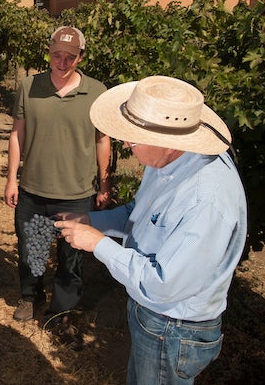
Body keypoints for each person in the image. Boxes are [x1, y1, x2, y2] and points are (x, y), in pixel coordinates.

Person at [54, 75, 248, 384]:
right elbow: (140, 213)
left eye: (131, 141)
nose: (127, 148)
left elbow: (163, 284)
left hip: (173, 327)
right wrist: (93, 221)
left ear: (167, 144)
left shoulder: (206, 200)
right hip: (154, 317)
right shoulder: (167, 164)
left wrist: (98, 244)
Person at [4, 25, 112, 340]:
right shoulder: (29, 86)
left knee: (71, 257)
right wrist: (12, 178)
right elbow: (16, 134)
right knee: (32, 249)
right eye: (56, 56)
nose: (62, 63)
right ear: (48, 53)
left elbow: (102, 139)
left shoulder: (96, 92)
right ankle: (31, 296)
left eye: (70, 57)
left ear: (81, 56)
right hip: (34, 189)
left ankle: (61, 311)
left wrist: (104, 183)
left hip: (76, 193)